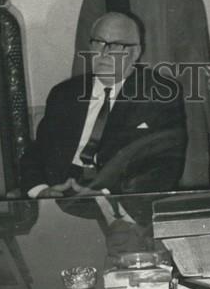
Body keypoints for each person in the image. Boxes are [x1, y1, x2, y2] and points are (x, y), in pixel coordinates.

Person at [20, 11, 187, 197]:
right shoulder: (64, 94)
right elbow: (37, 152)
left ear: (136, 52)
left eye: (116, 45)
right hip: (60, 192)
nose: (104, 53)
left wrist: (107, 194)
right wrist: (41, 190)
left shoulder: (160, 95)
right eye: (99, 43)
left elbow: (164, 165)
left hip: (120, 196)